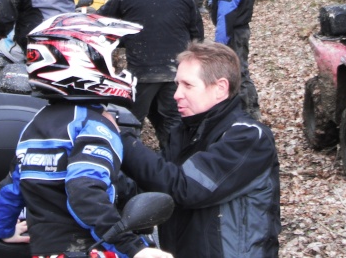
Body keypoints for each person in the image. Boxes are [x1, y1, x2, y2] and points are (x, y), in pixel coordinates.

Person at [0, 13, 172, 258]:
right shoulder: (91, 125)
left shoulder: (34, 125)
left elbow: (11, 189)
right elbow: (84, 191)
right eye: (112, 61)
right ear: (81, 61)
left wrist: (3, 229)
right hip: (89, 248)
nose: (119, 69)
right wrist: (135, 249)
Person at [118, 41, 280, 258]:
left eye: (187, 85)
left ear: (220, 88)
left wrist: (122, 139)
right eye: (177, 85)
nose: (176, 94)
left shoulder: (248, 137)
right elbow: (156, 186)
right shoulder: (184, 131)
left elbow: (185, 187)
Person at [98, 0, 204, 149]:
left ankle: (128, 163)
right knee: (174, 122)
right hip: (176, 72)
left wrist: (122, 39)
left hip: (142, 72)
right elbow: (197, 34)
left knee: (130, 122)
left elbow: (101, 23)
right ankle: (175, 163)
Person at [205, 0, 260, 119]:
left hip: (234, 32)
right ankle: (250, 110)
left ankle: (246, 114)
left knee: (237, 72)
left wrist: (219, 45)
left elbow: (225, 16)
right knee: (241, 69)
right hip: (241, 30)